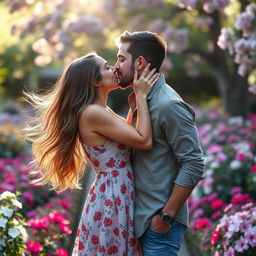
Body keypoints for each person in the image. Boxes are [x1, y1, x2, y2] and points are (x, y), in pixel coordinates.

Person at [24, 53, 159, 256]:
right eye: (106, 67)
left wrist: (135, 95)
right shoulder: (93, 113)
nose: (114, 68)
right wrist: (140, 95)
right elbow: (144, 141)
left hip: (114, 191)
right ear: (96, 81)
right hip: (113, 196)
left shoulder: (99, 110)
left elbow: (130, 133)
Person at [114, 31, 206, 256]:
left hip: (158, 228)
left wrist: (165, 216)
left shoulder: (168, 105)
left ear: (140, 62)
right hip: (139, 222)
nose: (116, 65)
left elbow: (194, 163)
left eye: (121, 58)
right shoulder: (141, 97)